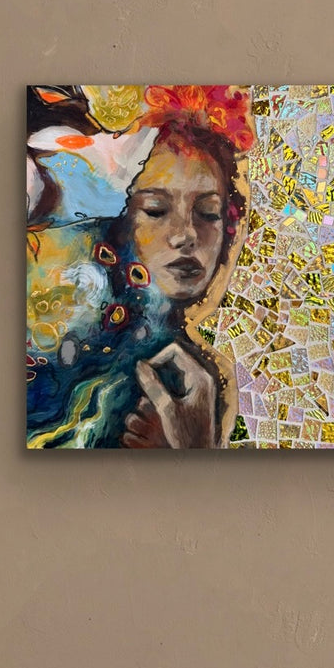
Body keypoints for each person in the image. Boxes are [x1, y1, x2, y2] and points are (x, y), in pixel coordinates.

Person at [26, 86, 251, 450]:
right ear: (120, 223)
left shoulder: (195, 387)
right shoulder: (64, 358)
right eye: (156, 211)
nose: (185, 235)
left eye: (208, 213)